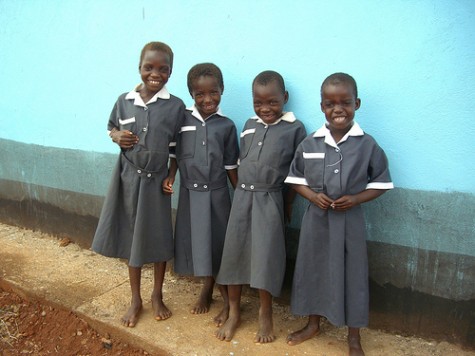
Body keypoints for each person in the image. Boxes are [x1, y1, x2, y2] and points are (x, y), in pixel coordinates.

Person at [284, 73, 394, 355]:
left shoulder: (367, 144)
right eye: (330, 103)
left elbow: (381, 183)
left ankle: (354, 336)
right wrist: (312, 196)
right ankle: (313, 324)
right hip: (316, 221)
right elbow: (295, 179)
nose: (338, 109)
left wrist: (356, 198)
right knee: (313, 270)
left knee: (353, 275)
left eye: (345, 102)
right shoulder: (310, 143)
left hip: (349, 222)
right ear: (322, 106)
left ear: (356, 103)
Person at [92, 41, 185, 328]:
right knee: (132, 236)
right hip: (128, 178)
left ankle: (157, 294)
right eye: (149, 67)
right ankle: (136, 299)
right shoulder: (124, 100)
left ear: (170, 72)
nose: (155, 74)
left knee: (157, 236)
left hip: (157, 181)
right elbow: (111, 127)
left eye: (162, 69)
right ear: (139, 68)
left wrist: (171, 176)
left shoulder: (175, 106)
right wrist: (116, 135)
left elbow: (176, 149)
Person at [215, 70, 307, 343]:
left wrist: (288, 202)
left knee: (265, 257)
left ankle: (265, 313)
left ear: (285, 98)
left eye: (272, 102)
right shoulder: (249, 124)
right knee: (234, 253)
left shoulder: (294, 128)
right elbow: (238, 161)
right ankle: (234, 312)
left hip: (271, 199)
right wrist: (239, 191)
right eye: (259, 103)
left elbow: (297, 172)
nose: (265, 109)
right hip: (243, 197)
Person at [163, 63, 239, 324]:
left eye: (214, 93)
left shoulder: (227, 126)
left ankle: (228, 301)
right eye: (200, 95)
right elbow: (173, 153)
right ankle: (206, 289)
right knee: (199, 245)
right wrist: (171, 176)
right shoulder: (181, 120)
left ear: (222, 91)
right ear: (191, 95)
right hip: (189, 193)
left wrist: (239, 196)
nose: (208, 100)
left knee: (219, 246)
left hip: (218, 196)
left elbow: (231, 165)